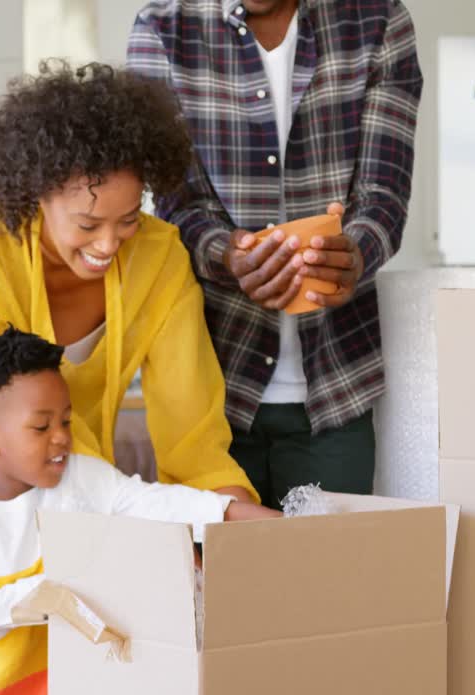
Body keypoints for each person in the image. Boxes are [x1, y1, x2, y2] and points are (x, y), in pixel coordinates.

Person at [0, 61, 261, 695]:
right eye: (88, 223)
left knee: (62, 600)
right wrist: (138, 521)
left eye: (128, 218)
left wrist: (226, 521)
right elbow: (5, 401)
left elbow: (191, 419)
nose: (109, 243)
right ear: (36, 193)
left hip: (58, 435)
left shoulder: (161, 257)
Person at [127, 0, 424, 508]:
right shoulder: (162, 28)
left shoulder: (378, 21)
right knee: (219, 560)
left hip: (337, 385)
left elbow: (384, 196)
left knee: (331, 559)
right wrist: (228, 255)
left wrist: (355, 254)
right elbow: (175, 205)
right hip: (210, 387)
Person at [0, 327, 279, 695]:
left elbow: (155, 504)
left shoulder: (81, 478)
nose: (61, 438)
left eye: (66, 421)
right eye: (41, 427)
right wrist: (39, 595)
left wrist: (243, 516)